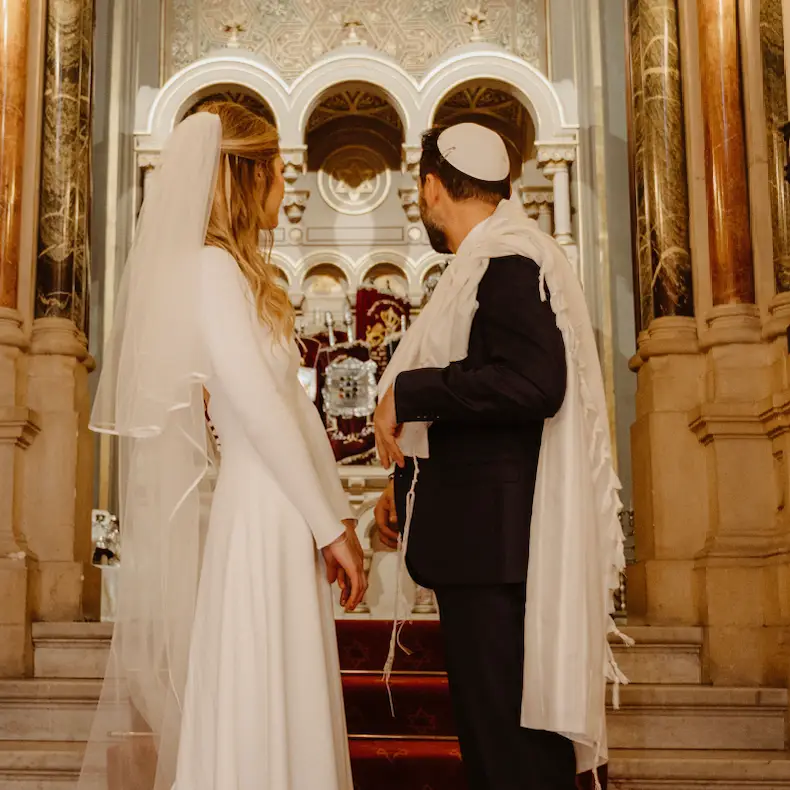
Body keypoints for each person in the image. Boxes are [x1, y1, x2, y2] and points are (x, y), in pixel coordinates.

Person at [80, 102, 364, 790]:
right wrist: (330, 528)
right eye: (277, 171)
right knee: (258, 691)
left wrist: (334, 516)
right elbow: (258, 409)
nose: (285, 186)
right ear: (245, 175)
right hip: (259, 508)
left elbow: (294, 409)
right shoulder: (209, 270)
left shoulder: (243, 276)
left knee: (289, 691)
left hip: (286, 506)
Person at [373, 123, 627, 790]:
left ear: (432, 187)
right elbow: (482, 399)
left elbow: (533, 383)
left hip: (495, 555)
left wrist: (410, 391)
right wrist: (405, 484)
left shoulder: (507, 262)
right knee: (497, 751)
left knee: (512, 758)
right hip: (484, 550)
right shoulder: (486, 261)